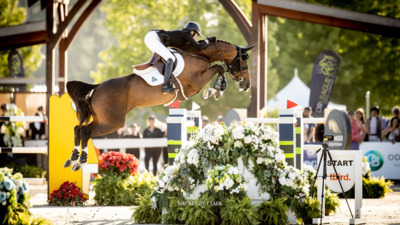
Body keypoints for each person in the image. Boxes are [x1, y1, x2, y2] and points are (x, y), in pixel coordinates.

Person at [144, 21, 209, 95]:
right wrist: (207, 41)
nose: (197, 37)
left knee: (167, 57)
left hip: (152, 37)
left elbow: (195, 46)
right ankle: (166, 86)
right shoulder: (186, 34)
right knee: (170, 58)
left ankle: (161, 80)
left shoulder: (183, 36)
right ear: (192, 32)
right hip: (153, 38)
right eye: (197, 34)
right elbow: (199, 47)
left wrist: (204, 42)